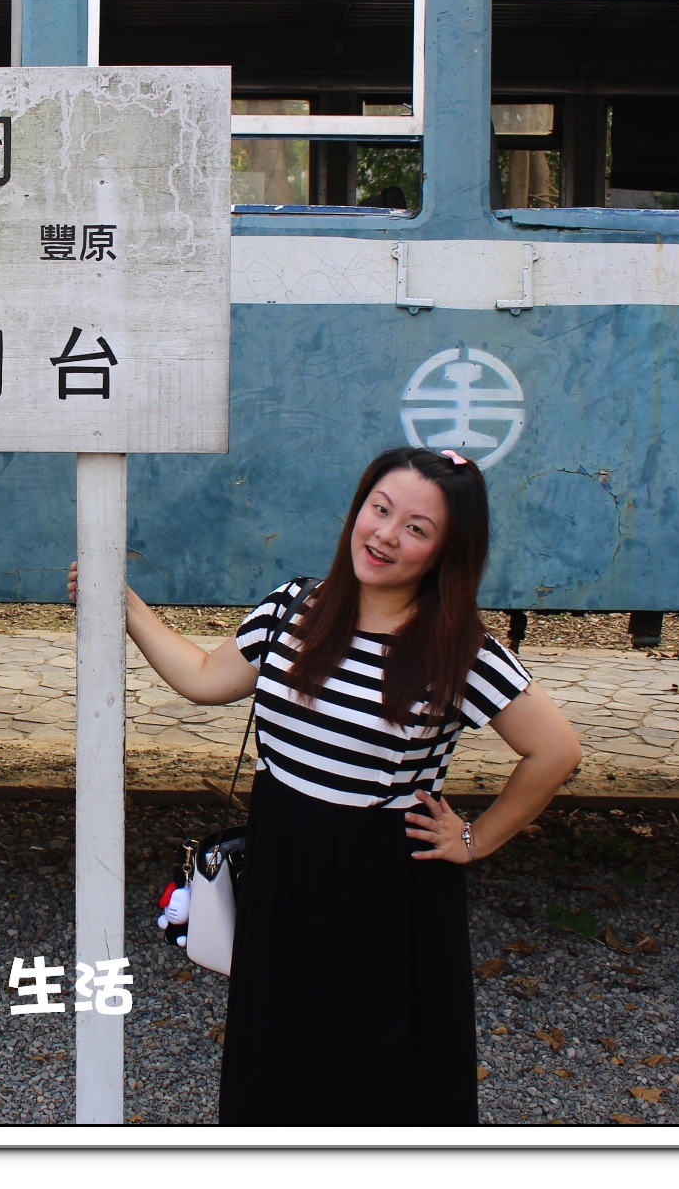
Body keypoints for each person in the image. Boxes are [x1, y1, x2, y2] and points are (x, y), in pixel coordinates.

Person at [72, 445, 581, 1126]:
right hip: (283, 863)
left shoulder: (458, 649)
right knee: (277, 1058)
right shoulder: (294, 607)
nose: (385, 534)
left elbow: (555, 750)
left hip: (385, 886)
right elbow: (203, 677)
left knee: (379, 1073)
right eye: (380, 508)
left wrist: (474, 838)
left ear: (445, 552)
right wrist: (124, 603)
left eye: (416, 528)